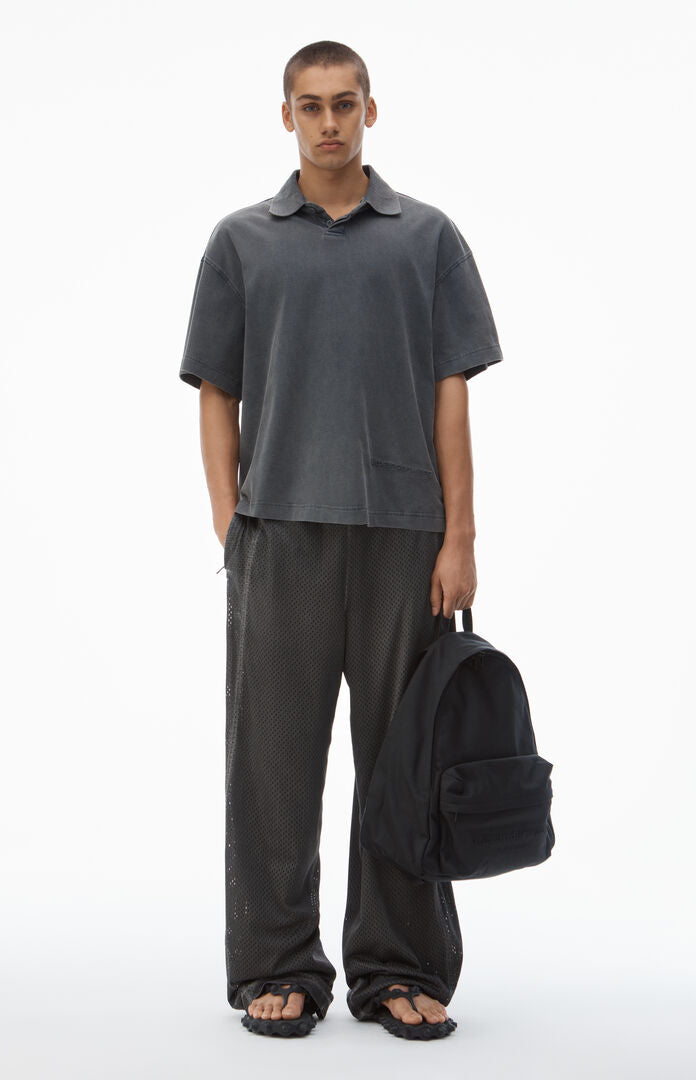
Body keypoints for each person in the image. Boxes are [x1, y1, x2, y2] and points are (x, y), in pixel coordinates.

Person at [179, 40, 504, 1040]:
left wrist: (460, 535)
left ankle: (398, 967)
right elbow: (217, 391)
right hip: (280, 538)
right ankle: (277, 964)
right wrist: (232, 522)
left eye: (345, 104)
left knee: (403, 764)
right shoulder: (241, 243)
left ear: (371, 109)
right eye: (312, 105)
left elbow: (450, 395)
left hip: (406, 540)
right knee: (272, 766)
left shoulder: (428, 239)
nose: (329, 122)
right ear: (287, 115)